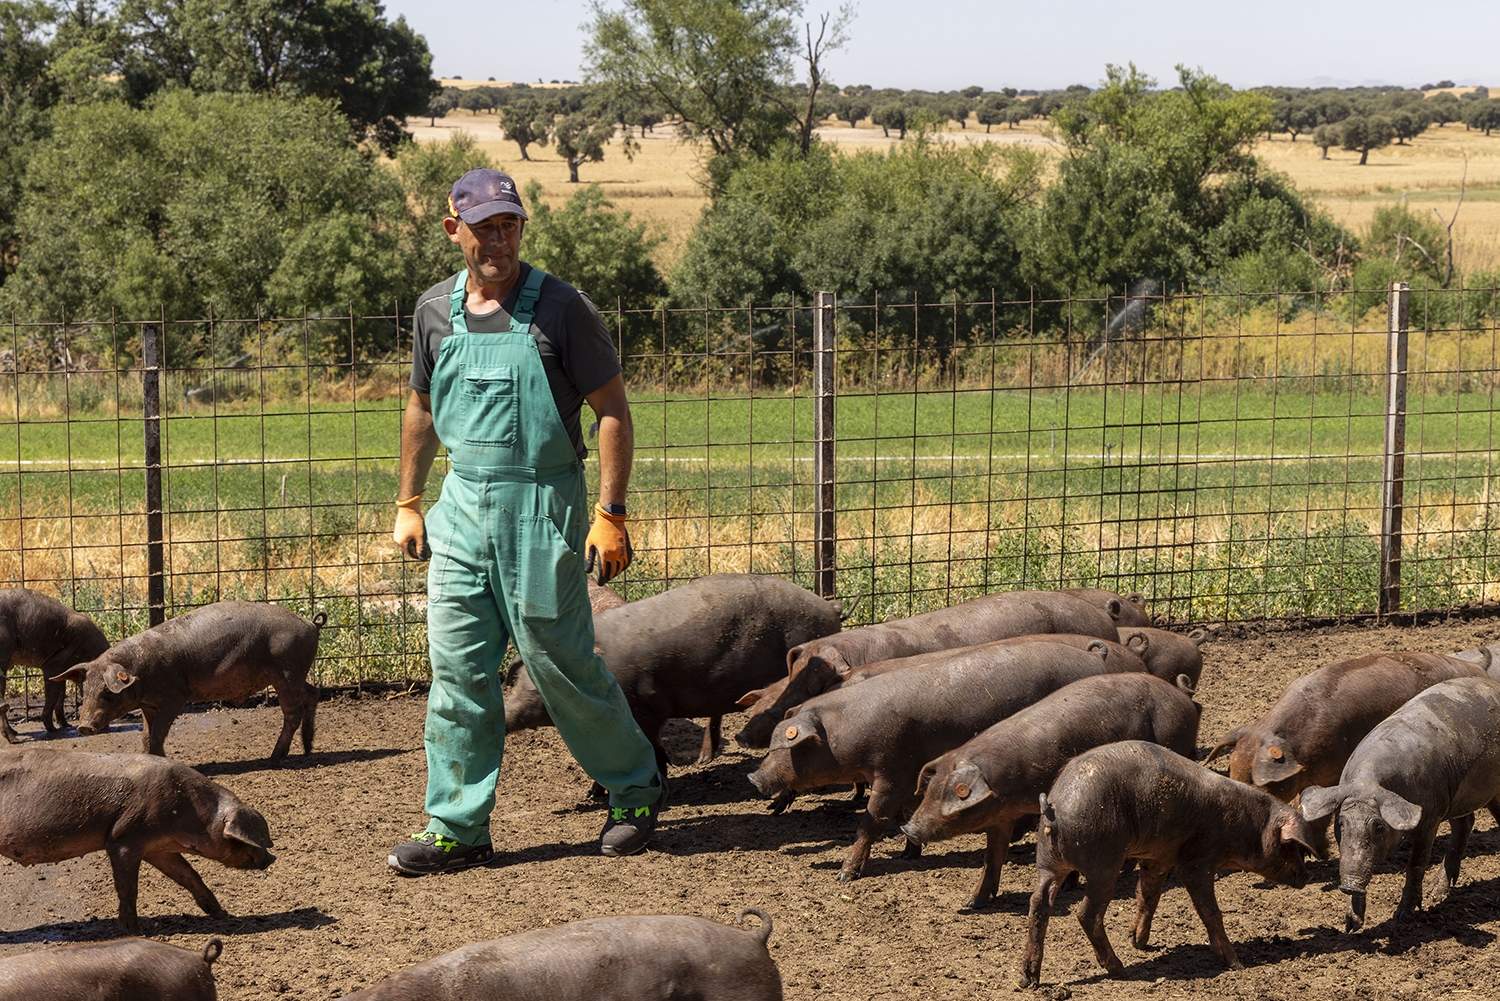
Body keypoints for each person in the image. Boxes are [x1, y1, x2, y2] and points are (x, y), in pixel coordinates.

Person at [387, 168, 664, 875]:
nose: (498, 240)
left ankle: (634, 787)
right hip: (461, 511)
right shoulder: (433, 312)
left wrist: (610, 513)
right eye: (483, 227)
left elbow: (611, 412)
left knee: (558, 663)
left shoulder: (562, 309)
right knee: (457, 671)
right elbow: (420, 409)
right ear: (454, 230)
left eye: (508, 225)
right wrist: (409, 502)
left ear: (521, 229)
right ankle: (457, 826)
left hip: (542, 507)